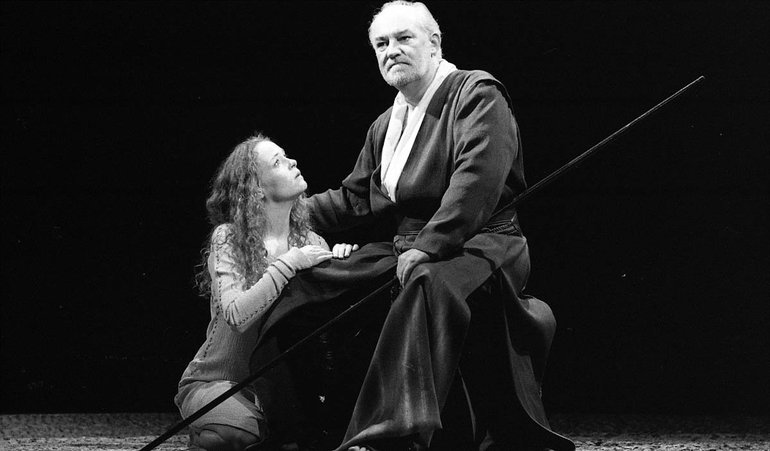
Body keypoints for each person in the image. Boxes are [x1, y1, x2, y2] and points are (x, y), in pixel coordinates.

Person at [303, 2, 575, 450]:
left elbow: (477, 179)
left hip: (485, 241)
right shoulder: (385, 124)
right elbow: (356, 198)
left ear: (434, 43)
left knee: (426, 283)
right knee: (313, 280)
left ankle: (392, 435)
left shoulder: (476, 93)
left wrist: (430, 245)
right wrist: (282, 214)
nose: (391, 50)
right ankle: (295, 422)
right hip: (411, 246)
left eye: (403, 38)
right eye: (381, 44)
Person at [174, 133, 336, 451]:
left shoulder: (313, 243)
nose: (292, 162)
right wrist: (288, 264)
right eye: (278, 162)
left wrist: (341, 262)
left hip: (278, 389)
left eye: (287, 156)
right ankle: (210, 431)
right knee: (239, 435)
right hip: (217, 381)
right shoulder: (229, 238)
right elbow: (237, 315)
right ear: (257, 187)